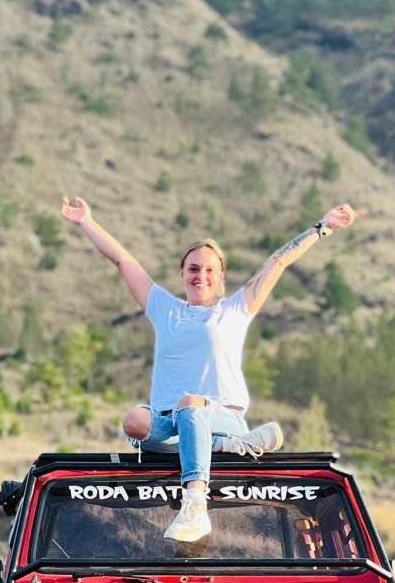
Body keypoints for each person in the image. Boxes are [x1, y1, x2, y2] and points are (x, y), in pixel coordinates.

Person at [60, 196, 358, 541]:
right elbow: (122, 260)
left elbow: (277, 262)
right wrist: (86, 222)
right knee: (134, 421)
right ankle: (227, 446)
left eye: (209, 270)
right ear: (182, 274)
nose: (200, 275)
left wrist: (322, 227)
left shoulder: (235, 310)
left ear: (220, 277)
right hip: (172, 426)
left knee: (192, 404)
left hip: (220, 415)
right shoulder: (165, 309)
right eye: (193, 268)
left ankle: (195, 506)